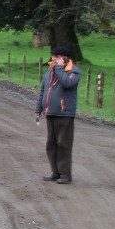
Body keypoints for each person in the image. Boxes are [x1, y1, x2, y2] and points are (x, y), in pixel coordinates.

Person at [34, 46, 82, 184]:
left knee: (63, 144)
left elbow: (67, 83)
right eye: (53, 56)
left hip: (65, 113)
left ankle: (65, 175)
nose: (54, 59)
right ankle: (55, 172)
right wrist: (39, 108)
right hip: (50, 112)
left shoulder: (73, 71)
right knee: (51, 144)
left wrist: (59, 69)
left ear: (65, 58)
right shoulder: (50, 71)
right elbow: (43, 90)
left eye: (57, 57)